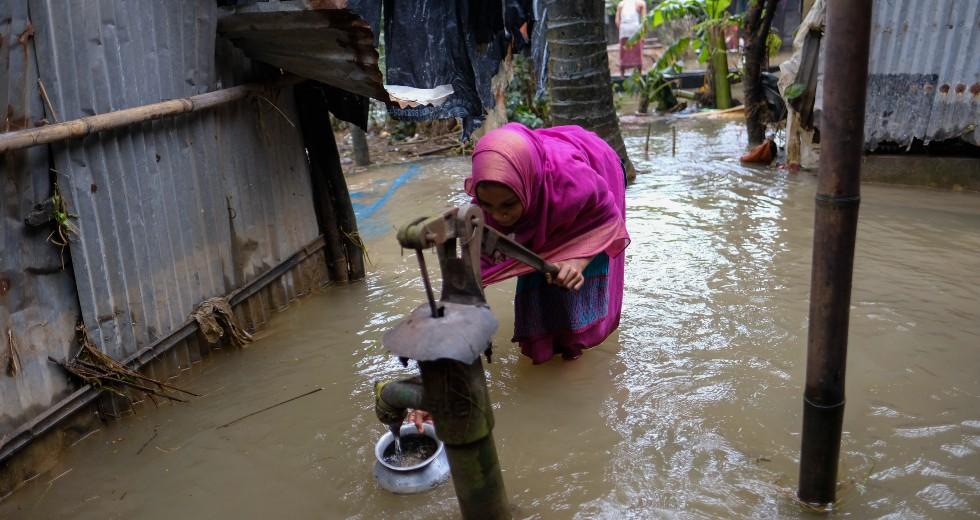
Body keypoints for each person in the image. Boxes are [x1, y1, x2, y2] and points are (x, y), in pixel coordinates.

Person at [406, 123, 630, 431]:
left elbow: (607, 221)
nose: (498, 216)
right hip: (536, 196)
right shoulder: (490, 198)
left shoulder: (573, 181)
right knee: (539, 275)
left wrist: (578, 261)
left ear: (526, 188)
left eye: (508, 206)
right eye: (487, 206)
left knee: (573, 290)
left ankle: (575, 352)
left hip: (588, 189)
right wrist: (434, 382)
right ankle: (547, 345)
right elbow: (465, 294)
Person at [616, 0, 647, 77]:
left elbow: (617, 21)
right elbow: (644, 20)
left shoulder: (621, 4)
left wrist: (621, 30)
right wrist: (643, 34)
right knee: (637, 53)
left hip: (624, 29)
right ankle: (639, 75)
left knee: (623, 53)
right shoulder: (640, 3)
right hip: (635, 29)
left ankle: (622, 75)